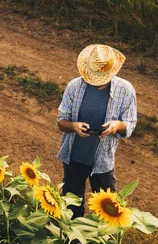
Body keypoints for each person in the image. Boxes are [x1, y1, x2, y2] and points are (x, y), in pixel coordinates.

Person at [57, 44, 137, 218]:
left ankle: (100, 243)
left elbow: (130, 125)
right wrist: (73, 126)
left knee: (108, 210)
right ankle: (73, 240)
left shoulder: (125, 91)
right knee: (71, 207)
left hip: (103, 159)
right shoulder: (74, 87)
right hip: (74, 156)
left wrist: (117, 125)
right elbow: (61, 122)